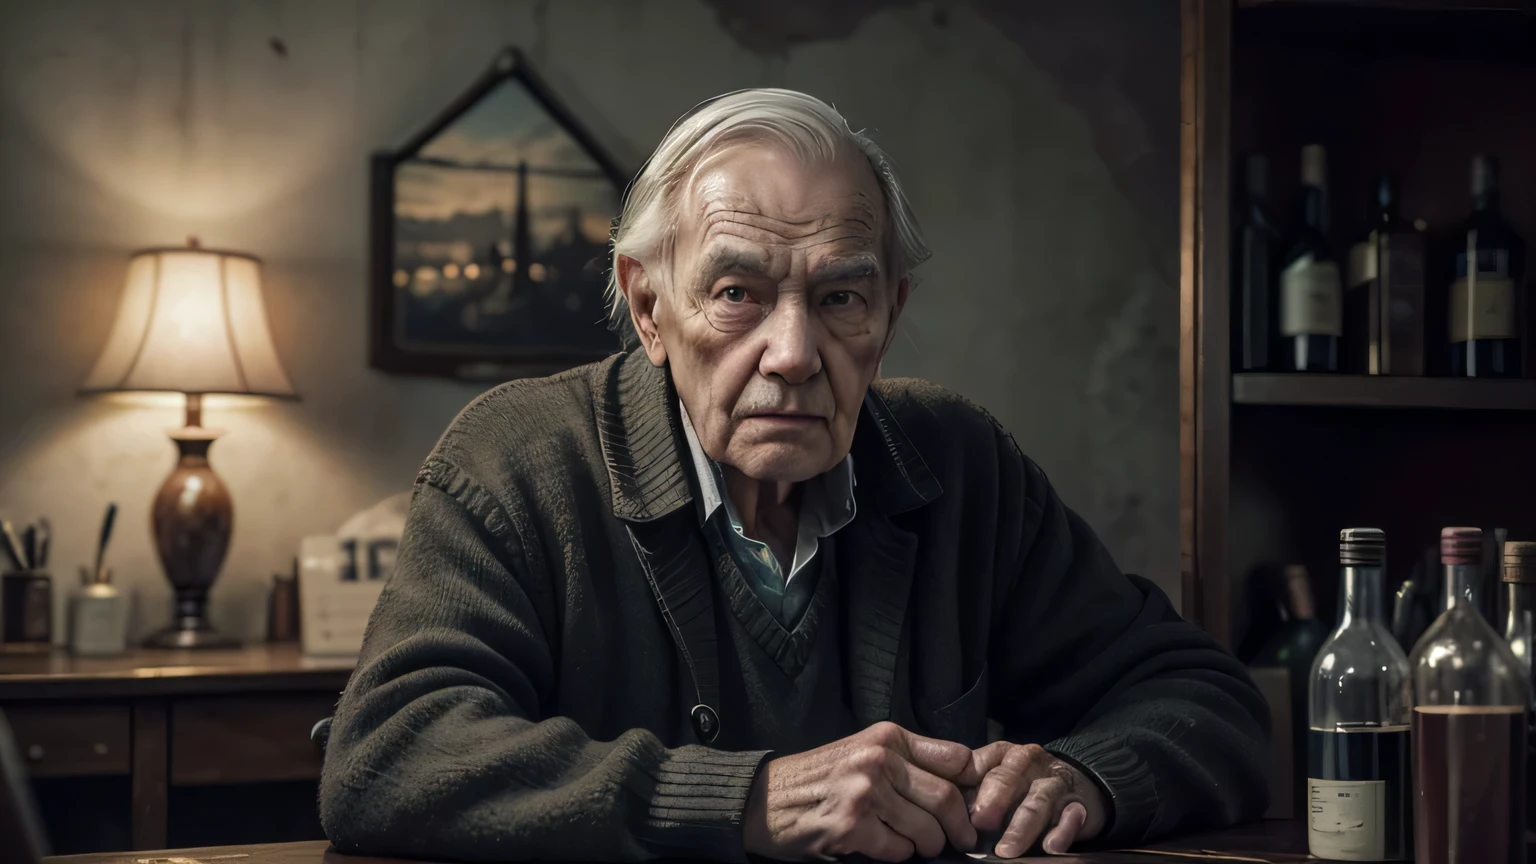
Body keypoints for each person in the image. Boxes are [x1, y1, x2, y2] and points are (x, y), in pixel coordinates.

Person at [319, 89, 1268, 863]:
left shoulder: (960, 460)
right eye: (736, 294)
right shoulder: (517, 457)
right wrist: (749, 800)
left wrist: (1088, 778)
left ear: (889, 314)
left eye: (839, 296)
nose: (792, 352)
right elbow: (391, 755)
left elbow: (1205, 700)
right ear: (649, 306)